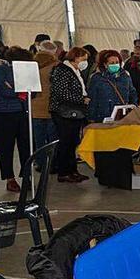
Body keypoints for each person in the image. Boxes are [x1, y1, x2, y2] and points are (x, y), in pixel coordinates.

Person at [0, 47, 33, 192]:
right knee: (5, 147)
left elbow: (32, 91)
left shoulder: (26, 71)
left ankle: (26, 175)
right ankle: (10, 178)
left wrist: (17, 89)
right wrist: (20, 92)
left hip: (23, 112)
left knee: (26, 146)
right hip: (3, 113)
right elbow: (3, 91)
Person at [49, 46, 91, 183]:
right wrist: (82, 99)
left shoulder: (75, 71)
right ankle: (64, 172)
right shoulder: (62, 71)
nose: (85, 62)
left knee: (73, 142)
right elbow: (62, 93)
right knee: (66, 143)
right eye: (83, 59)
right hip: (64, 112)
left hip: (74, 112)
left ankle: (72, 171)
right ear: (75, 58)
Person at [31, 41, 60, 172]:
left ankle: (40, 163)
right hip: (52, 108)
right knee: (53, 138)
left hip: (36, 108)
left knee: (39, 139)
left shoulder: (33, 66)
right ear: (54, 52)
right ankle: (52, 164)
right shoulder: (56, 67)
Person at [87, 49, 138, 122]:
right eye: (112, 63)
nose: (115, 64)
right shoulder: (97, 78)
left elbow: (132, 93)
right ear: (105, 64)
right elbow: (93, 99)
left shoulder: (125, 76)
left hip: (122, 115)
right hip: (103, 116)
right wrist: (91, 118)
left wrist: (133, 107)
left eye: (117, 62)